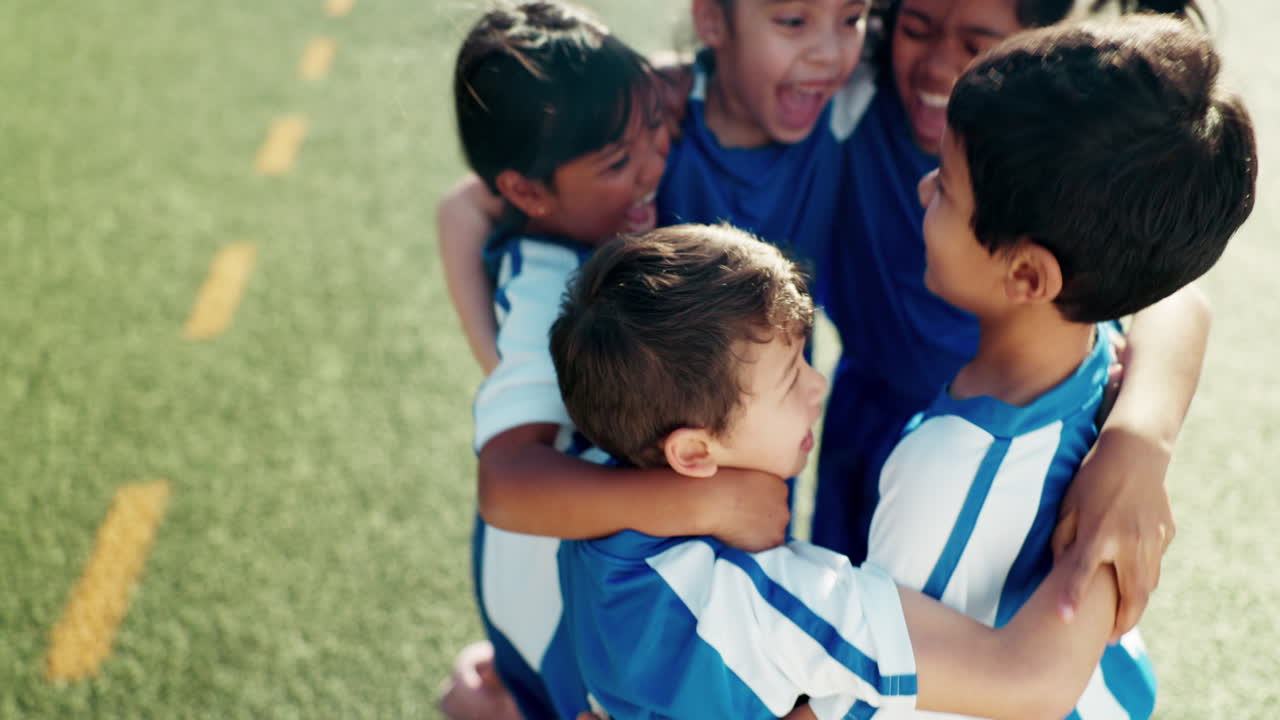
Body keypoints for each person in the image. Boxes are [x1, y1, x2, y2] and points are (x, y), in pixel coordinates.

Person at [549, 223, 1127, 720]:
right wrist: (1105, 521)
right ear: (694, 454)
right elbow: (1032, 681)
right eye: (789, 379)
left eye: (805, 357)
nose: (817, 385)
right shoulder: (763, 606)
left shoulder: (597, 510)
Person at [864, 14, 1255, 719]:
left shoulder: (945, 476)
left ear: (1027, 276)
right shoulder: (1100, 348)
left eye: (947, 188)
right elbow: (1180, 307)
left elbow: (883, 690)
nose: (924, 190)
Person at [809, 0, 1209, 637]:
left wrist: (1136, 444)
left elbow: (1177, 297)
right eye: (915, 28)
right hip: (866, 423)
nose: (939, 61)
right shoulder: (846, 95)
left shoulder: (1060, 176)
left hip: (985, 438)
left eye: (978, 42)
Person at [440, 4, 795, 718]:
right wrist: (712, 500)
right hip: (559, 595)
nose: (651, 168)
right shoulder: (546, 284)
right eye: (617, 162)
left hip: (584, 571)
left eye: (656, 133)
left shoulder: (579, 190)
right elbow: (507, 485)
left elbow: (462, 203)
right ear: (526, 191)